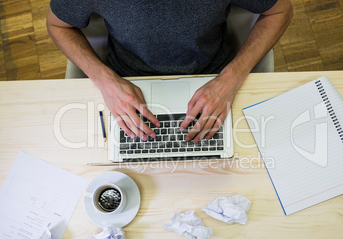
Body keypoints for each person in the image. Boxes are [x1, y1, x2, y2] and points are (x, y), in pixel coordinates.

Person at [47, 0, 293, 143]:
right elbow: (58, 25)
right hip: (125, 86)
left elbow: (280, 10)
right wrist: (104, 80)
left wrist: (231, 77)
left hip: (215, 83)